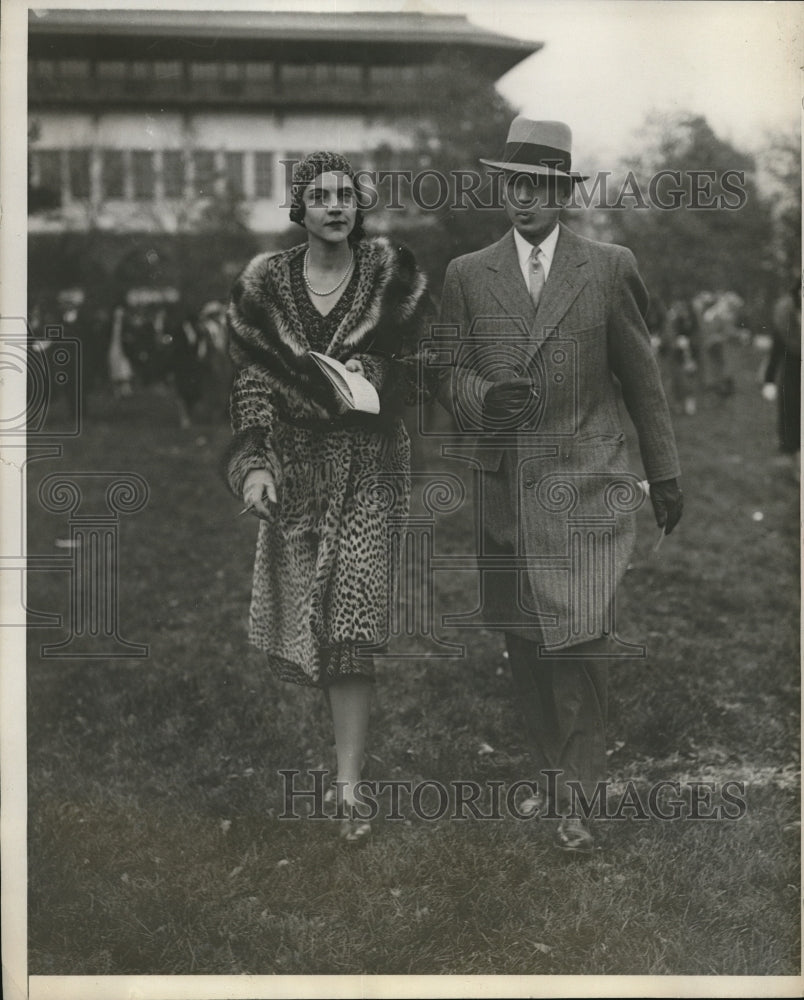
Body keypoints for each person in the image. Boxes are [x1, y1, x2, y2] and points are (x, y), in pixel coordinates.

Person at [438, 118, 683, 854]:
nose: (525, 199)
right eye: (514, 184)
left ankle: (577, 798)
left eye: (540, 186)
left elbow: (643, 379)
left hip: (588, 485)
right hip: (508, 486)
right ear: (501, 188)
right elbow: (446, 372)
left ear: (563, 193)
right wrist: (482, 398)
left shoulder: (608, 267)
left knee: (582, 638)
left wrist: (665, 471)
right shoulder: (466, 275)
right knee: (528, 645)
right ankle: (553, 778)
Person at [223, 152, 430, 844]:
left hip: (371, 462)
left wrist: (377, 375)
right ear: (299, 208)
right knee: (306, 614)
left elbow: (424, 364)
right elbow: (251, 377)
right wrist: (255, 464)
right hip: (297, 463)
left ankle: (348, 786)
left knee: (351, 617)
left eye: (346, 194)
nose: (336, 206)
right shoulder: (264, 284)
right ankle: (342, 766)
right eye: (320, 196)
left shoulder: (392, 275)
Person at [763, 283, 801, 472]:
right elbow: (776, 350)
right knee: (790, 407)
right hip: (792, 365)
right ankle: (792, 454)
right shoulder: (785, 313)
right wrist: (769, 380)